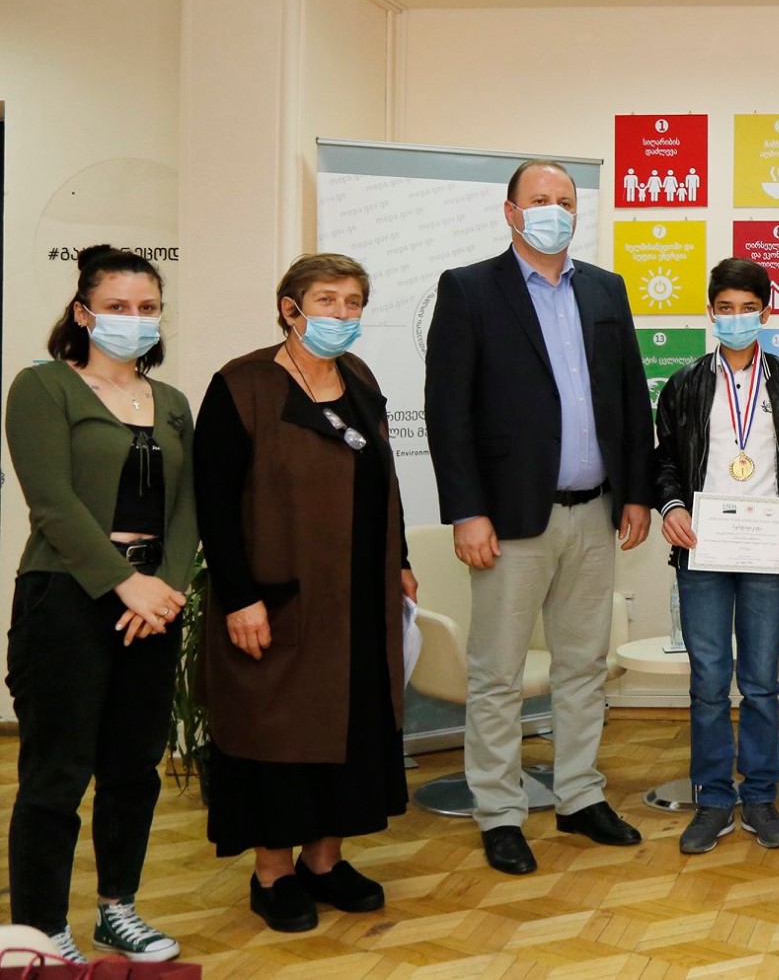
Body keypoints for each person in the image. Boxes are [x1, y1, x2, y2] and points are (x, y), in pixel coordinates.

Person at [425, 158, 655, 876]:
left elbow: (631, 395)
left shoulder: (605, 289)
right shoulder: (469, 289)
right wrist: (467, 510)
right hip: (508, 520)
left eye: (565, 200)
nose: (554, 210)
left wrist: (638, 492)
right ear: (511, 211)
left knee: (583, 665)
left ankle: (580, 794)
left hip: (595, 512)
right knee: (496, 673)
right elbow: (448, 411)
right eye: (539, 199)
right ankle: (499, 810)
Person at [192, 254, 414, 932]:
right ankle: (273, 873)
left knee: (350, 730)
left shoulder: (360, 377)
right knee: (278, 734)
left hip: (358, 599)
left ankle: (325, 861)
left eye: (353, 302)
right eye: (326, 299)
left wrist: (400, 560)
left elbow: (384, 480)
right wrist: (239, 597)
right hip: (279, 598)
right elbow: (213, 504)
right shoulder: (243, 385)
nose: (341, 313)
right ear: (290, 308)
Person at [5, 246, 193, 963]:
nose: (133, 319)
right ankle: (41, 929)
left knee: (133, 766)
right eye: (117, 306)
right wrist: (124, 581)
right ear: (83, 313)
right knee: (56, 772)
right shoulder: (44, 386)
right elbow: (52, 503)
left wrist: (165, 588)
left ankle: (119, 909)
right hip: (66, 596)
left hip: (154, 605)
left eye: (147, 307)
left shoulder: (171, 402)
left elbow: (187, 507)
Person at [652, 258, 779, 856]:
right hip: (702, 548)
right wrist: (671, 506)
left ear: (766, 312)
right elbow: (665, 460)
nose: (736, 318)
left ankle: (758, 796)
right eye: (725, 309)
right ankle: (712, 800)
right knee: (708, 680)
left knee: (759, 682)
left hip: (767, 548)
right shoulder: (684, 384)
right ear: (710, 312)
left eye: (747, 308)